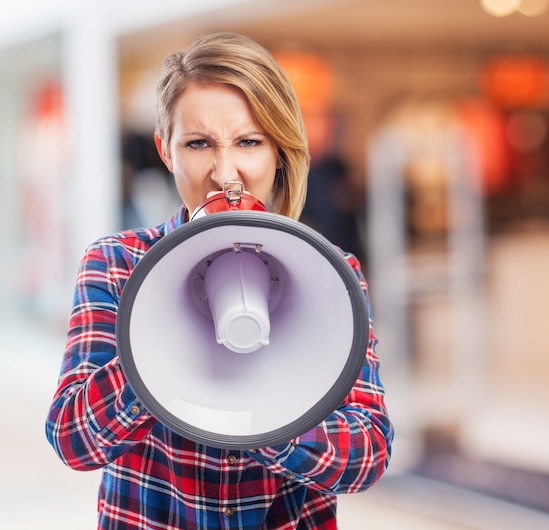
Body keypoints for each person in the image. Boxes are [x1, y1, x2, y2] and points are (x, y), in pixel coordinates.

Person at [46, 32, 393, 529]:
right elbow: (73, 441)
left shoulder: (334, 273)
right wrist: (156, 350)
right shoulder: (117, 265)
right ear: (166, 151)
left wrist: (268, 416)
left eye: (249, 142)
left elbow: (368, 456)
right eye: (199, 143)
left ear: (279, 151)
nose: (225, 173)